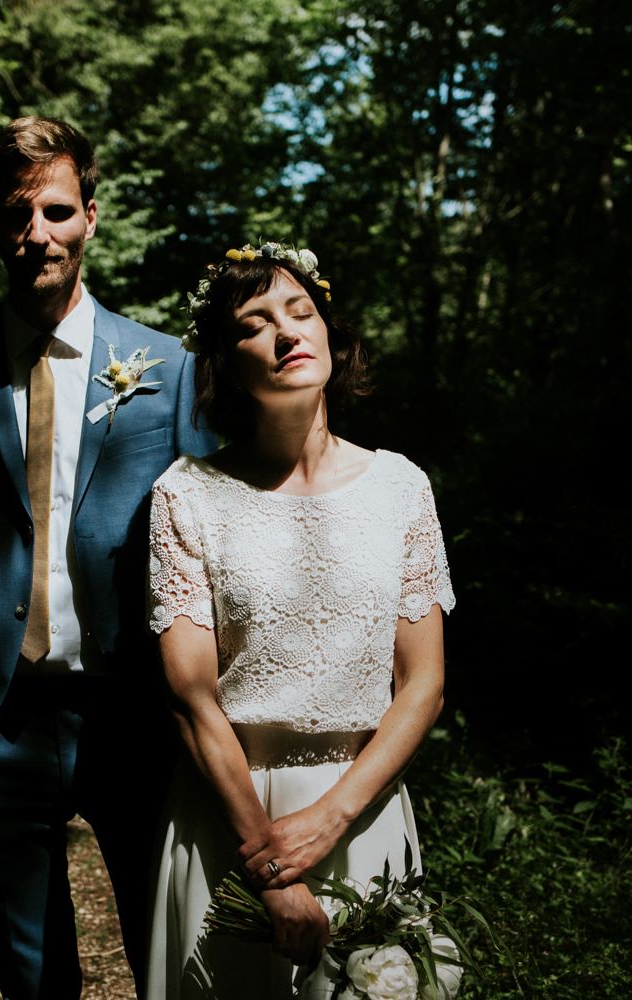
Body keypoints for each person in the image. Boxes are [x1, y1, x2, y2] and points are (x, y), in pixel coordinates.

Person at [0, 116, 214, 1000]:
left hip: (137, 717)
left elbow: (209, 543)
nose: (38, 234)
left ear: (92, 218)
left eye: (57, 211)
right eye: (15, 215)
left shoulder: (167, 368)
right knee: (33, 980)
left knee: (170, 959)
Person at [144, 242, 455, 999]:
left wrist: (332, 819)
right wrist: (269, 864)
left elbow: (424, 685)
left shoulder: (401, 488)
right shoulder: (189, 494)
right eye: (256, 323)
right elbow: (192, 700)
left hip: (364, 810)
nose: (287, 333)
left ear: (328, 332)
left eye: (300, 311)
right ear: (226, 359)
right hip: (233, 816)